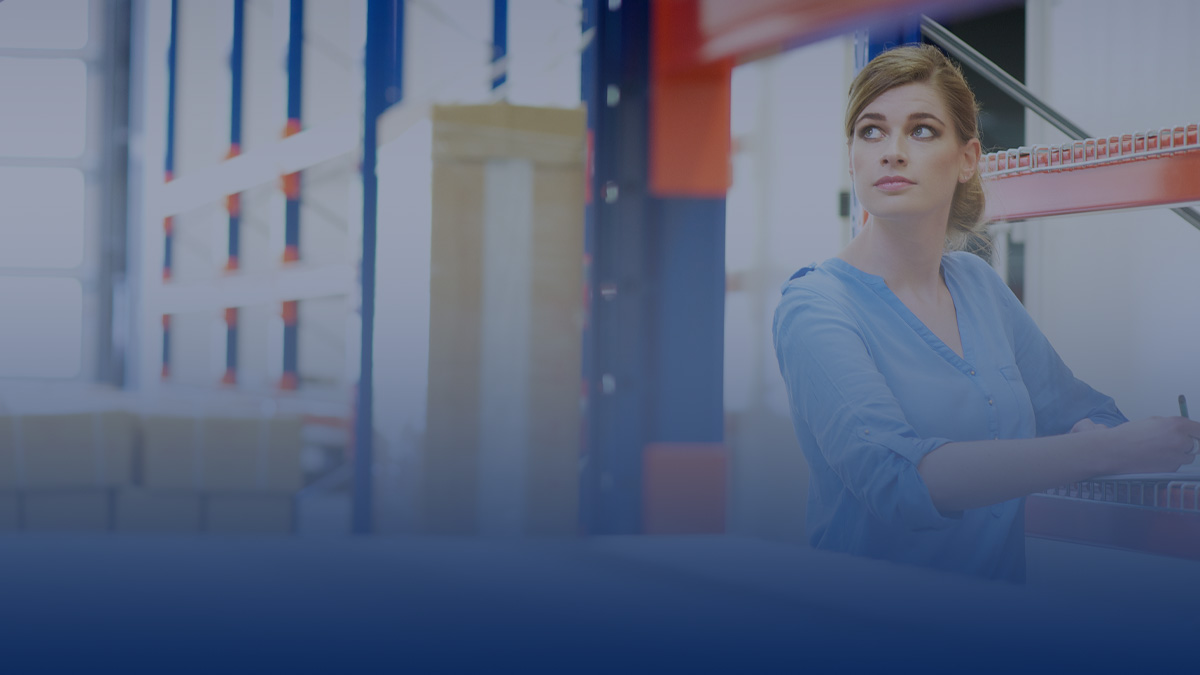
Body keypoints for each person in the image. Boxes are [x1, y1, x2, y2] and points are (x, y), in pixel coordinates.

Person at [772, 44, 1200, 582]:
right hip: (870, 631)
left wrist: (1099, 434)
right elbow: (900, 483)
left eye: (922, 130)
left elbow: (1081, 411)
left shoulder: (977, 287)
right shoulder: (816, 306)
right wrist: (1104, 450)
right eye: (871, 131)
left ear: (967, 159)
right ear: (852, 156)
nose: (892, 151)